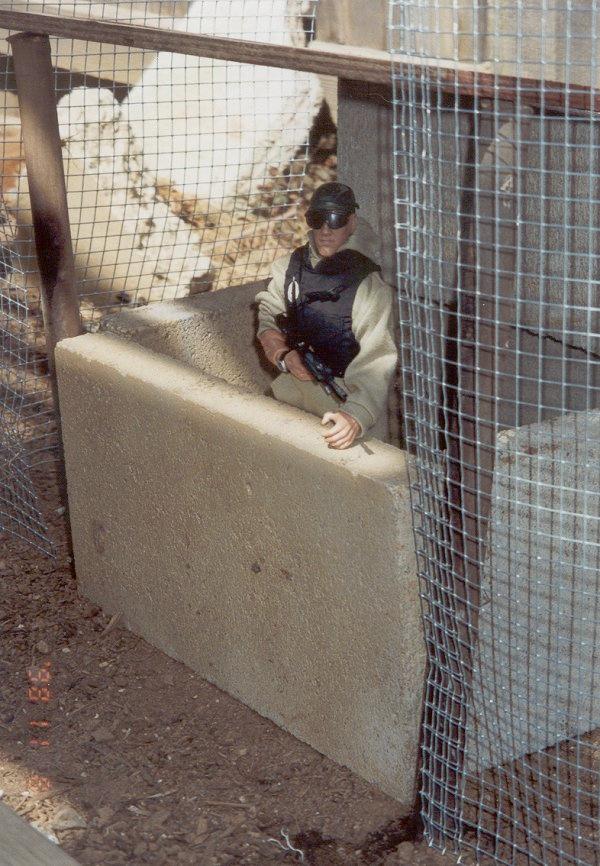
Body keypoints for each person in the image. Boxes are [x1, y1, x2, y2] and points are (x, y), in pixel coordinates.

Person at [255, 182, 397, 450]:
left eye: (335, 219)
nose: (325, 230)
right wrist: (283, 356)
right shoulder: (291, 268)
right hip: (292, 393)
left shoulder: (369, 285)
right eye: (317, 219)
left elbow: (378, 359)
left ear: (352, 222)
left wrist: (356, 415)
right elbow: (268, 315)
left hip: (347, 401)